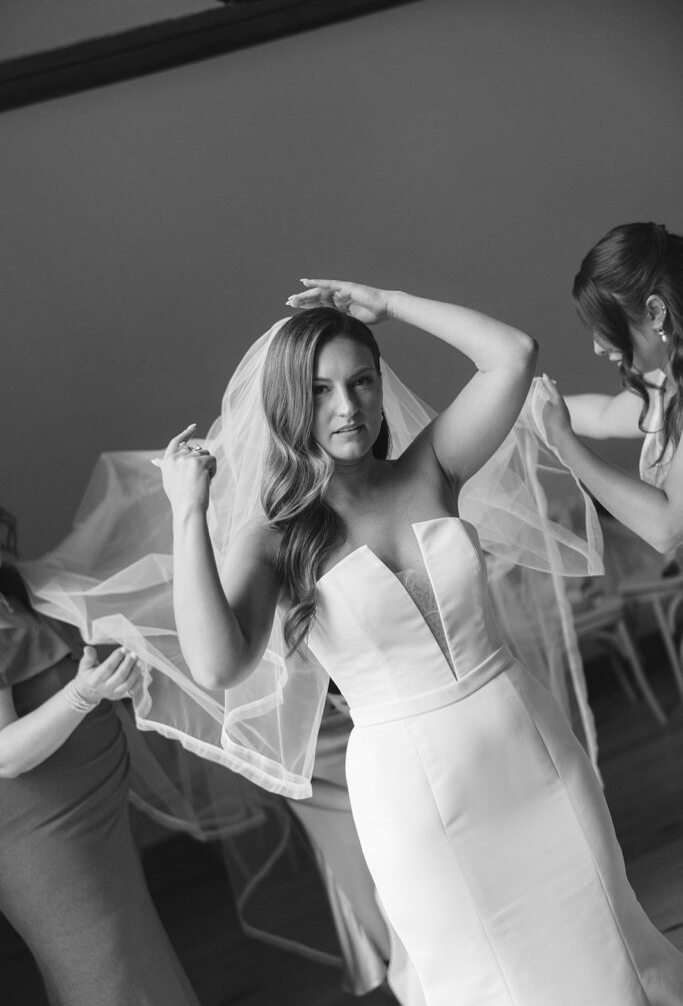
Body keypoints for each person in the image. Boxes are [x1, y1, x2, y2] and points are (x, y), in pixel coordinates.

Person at [155, 280, 683, 1005]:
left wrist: (389, 303)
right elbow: (218, 663)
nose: (347, 407)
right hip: (415, 800)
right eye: (319, 390)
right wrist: (188, 513)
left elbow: (512, 355)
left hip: (531, 749)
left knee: (604, 934)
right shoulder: (274, 540)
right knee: (486, 976)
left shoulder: (430, 466)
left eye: (361, 381)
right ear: (287, 405)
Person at [0, 506, 201, 1006]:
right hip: (44, 837)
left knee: (128, 960)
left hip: (88, 824)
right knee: (108, 974)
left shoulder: (8, 589)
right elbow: (4, 756)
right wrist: (82, 695)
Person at [542, 221, 683, 552]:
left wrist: (564, 442)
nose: (597, 347)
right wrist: (524, 401)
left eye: (602, 327)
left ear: (655, 311)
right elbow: (604, 416)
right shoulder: (665, 384)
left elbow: (668, 529)